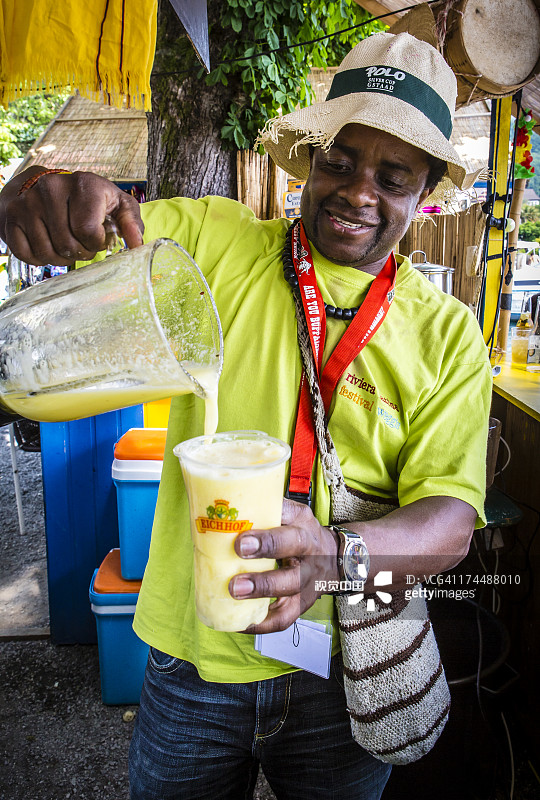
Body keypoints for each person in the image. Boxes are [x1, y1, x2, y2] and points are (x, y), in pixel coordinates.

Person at [0, 32, 492, 800]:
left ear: (424, 193)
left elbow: (451, 521)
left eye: (393, 178)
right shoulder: (218, 243)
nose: (358, 193)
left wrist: (333, 553)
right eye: (339, 163)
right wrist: (41, 191)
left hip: (338, 667)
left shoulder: (447, 334)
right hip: (189, 661)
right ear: (311, 161)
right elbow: (111, 223)